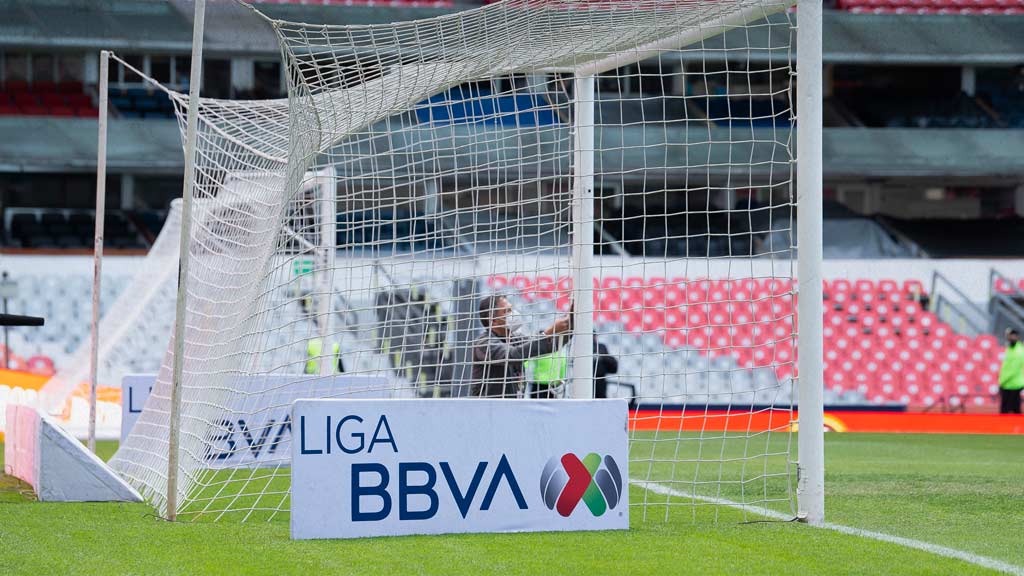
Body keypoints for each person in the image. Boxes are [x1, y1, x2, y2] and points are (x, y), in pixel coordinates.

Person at [472, 295, 572, 398]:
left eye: (512, 309)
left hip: (515, 405)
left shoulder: (516, 338)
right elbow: (512, 355)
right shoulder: (484, 342)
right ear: (493, 321)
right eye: (507, 311)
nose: (514, 314)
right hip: (489, 408)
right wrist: (549, 332)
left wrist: (569, 325)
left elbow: (548, 346)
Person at [998, 328, 1023, 414]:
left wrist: (1002, 381)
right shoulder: (1010, 349)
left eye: (1013, 336)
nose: (1011, 338)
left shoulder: (1018, 351)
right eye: (1010, 336)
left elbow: (1013, 370)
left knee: (1008, 410)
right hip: (1008, 384)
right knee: (1011, 410)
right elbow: (1006, 366)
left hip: (1013, 385)